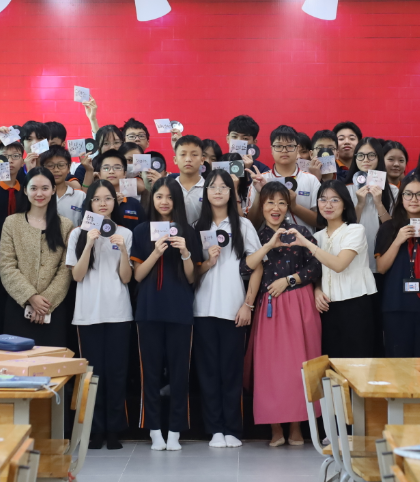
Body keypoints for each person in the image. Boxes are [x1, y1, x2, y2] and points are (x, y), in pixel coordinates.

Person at [241, 181, 322, 447]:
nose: (275, 208)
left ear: (288, 206)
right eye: (270, 202)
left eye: (281, 203)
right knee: (270, 369)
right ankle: (275, 428)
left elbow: (317, 265)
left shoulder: (300, 232)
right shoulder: (256, 236)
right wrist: (268, 246)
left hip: (300, 304)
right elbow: (245, 268)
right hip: (270, 307)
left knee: (299, 367)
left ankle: (297, 426)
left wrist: (290, 281)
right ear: (261, 206)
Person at [193, 169, 262, 449]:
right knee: (208, 373)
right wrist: (207, 263)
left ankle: (233, 428)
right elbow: (191, 271)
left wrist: (248, 304)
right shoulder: (197, 226)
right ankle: (215, 430)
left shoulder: (243, 225)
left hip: (234, 308)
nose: (218, 191)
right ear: (206, 192)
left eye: (224, 187)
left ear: (231, 193)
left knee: (232, 372)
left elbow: (257, 266)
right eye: (213, 187)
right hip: (202, 309)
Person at [131, 178, 199, 452]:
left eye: (170, 197)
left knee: (180, 373)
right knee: (150, 373)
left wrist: (185, 252)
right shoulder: (141, 231)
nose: (164, 202)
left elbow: (192, 277)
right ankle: (154, 429)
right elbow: (137, 276)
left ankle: (175, 430)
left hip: (180, 310)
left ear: (177, 201)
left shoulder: (188, 232)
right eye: (159, 196)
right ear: (153, 199)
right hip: (148, 310)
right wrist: (156, 253)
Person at [67, 179, 133, 450]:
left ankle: (114, 429)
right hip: (87, 314)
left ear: (114, 202)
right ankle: (94, 430)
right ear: (89, 204)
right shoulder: (77, 234)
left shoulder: (125, 233)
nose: (103, 203)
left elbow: (126, 278)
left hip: (118, 313)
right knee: (91, 375)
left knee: (116, 373)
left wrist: (124, 250)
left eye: (107, 198)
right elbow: (77, 275)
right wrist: (89, 243)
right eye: (97, 199)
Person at [300, 179, 376, 358]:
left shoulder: (355, 230)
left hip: (356, 302)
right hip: (327, 306)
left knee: (359, 360)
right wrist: (317, 290)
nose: (328, 205)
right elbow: (317, 272)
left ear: (345, 204)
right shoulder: (317, 236)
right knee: (332, 359)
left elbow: (339, 265)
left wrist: (307, 244)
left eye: (335, 200)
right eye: (323, 199)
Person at [0, 168, 75, 347]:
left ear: (53, 190)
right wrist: (31, 297)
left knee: (52, 360)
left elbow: (65, 269)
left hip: (53, 308)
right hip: (18, 306)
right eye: (33, 188)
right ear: (25, 190)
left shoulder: (66, 225)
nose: (39, 194)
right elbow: (7, 266)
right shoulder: (12, 223)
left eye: (45, 188)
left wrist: (45, 303)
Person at [374, 174, 420, 356]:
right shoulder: (388, 228)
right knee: (397, 362)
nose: (414, 199)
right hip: (396, 305)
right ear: (401, 198)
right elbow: (381, 268)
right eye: (408, 194)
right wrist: (398, 241)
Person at [246, 125, 319, 232]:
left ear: (297, 149)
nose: (284, 150)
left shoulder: (311, 180)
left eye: (290, 146)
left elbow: (321, 222)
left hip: (304, 241)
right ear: (271, 149)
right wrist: (260, 194)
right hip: (268, 242)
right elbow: (250, 225)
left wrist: (294, 207)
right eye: (279, 146)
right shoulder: (260, 180)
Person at [346, 138, 396, 276]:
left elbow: (392, 229)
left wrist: (379, 204)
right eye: (361, 155)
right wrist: (360, 204)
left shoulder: (393, 191)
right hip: (353, 260)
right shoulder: (346, 189)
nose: (365, 160)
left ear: (379, 158)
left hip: (383, 259)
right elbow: (345, 229)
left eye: (371, 155)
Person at [93, 149, 148, 230]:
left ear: (124, 174)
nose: (111, 171)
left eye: (117, 168)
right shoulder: (91, 202)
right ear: (99, 174)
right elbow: (87, 230)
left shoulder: (134, 204)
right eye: (106, 168)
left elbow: (142, 232)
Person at [40, 146, 86, 227]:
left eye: (61, 165)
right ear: (42, 168)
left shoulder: (80, 196)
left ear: (69, 168)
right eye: (50, 165)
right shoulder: (39, 195)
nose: (56, 170)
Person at [169, 135, 207, 224]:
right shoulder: (168, 188)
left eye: (194, 155)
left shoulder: (209, 188)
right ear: (175, 160)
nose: (188, 159)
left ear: (202, 160)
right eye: (183, 154)